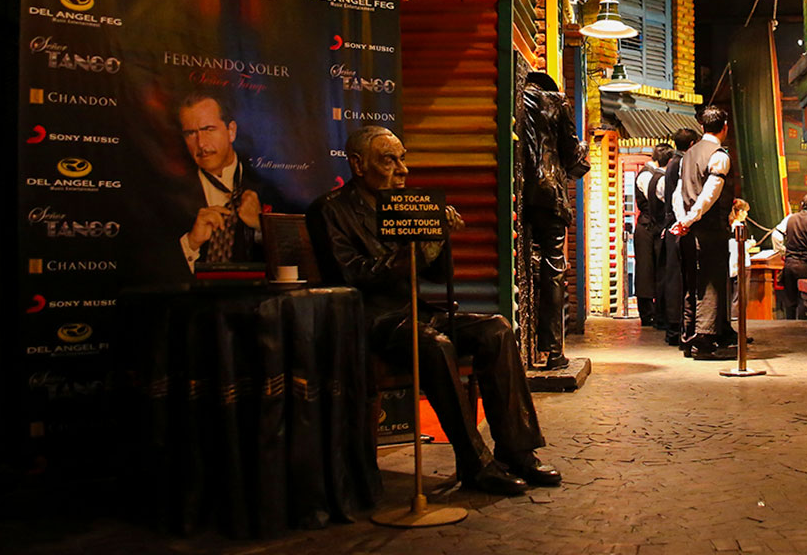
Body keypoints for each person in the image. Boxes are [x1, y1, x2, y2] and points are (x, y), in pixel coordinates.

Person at [307, 126, 559, 496]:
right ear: (358, 165)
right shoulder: (330, 210)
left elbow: (438, 276)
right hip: (370, 321)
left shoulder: (405, 205)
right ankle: (475, 462)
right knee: (434, 343)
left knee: (497, 328)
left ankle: (517, 451)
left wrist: (439, 237)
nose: (402, 170)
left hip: (412, 312)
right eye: (389, 161)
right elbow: (353, 274)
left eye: (402, 158)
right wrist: (417, 249)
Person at [518, 71, 589, 369]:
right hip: (549, 193)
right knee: (553, 266)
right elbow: (571, 154)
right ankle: (552, 350)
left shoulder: (515, 99)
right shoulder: (557, 101)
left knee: (523, 264)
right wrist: (583, 149)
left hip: (519, 191)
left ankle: (526, 347)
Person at [175, 92, 286, 273]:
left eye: (209, 129)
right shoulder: (169, 196)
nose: (201, 144)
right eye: (190, 134)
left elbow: (294, 261)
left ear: (231, 131)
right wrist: (191, 244)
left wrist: (261, 226)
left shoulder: (270, 188)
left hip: (258, 299)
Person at [671, 106, 738, 359]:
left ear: (702, 127)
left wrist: (682, 221)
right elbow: (709, 196)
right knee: (710, 285)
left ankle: (688, 339)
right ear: (724, 128)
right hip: (708, 231)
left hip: (687, 232)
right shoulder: (719, 156)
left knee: (690, 285)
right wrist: (689, 219)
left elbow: (679, 193)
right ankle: (705, 342)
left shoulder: (688, 155)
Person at [659, 128, 699, 346]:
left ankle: (675, 328)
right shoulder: (681, 164)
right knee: (677, 279)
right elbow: (677, 198)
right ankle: (676, 329)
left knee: (674, 278)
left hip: (672, 225)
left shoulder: (673, 163)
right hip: (678, 225)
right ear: (692, 144)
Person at [632, 144, 673, 327]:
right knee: (646, 271)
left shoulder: (655, 174)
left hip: (656, 225)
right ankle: (647, 313)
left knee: (659, 269)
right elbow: (659, 196)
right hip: (647, 226)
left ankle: (659, 312)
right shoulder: (647, 175)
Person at [772, 195, 807, 320]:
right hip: (805, 264)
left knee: (789, 299)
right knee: (803, 298)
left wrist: (783, 252)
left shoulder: (790, 218)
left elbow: (776, 235)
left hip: (790, 263)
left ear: (802, 204)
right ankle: (800, 325)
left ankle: (789, 323)